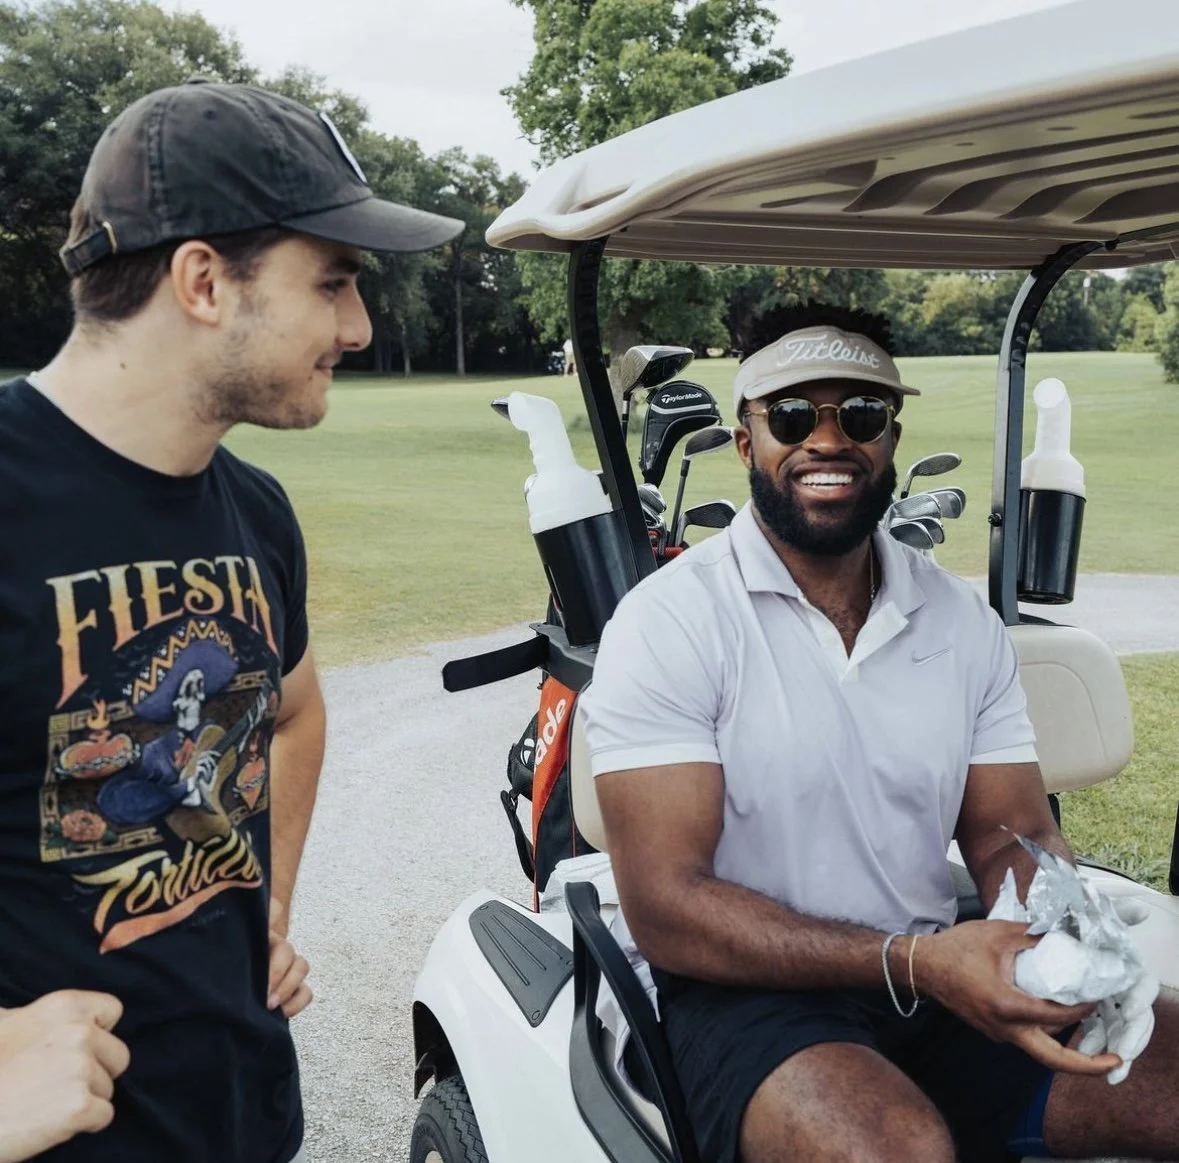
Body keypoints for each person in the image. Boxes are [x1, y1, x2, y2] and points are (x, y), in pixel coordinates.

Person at [582, 304, 1179, 1163]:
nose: (827, 440)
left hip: (929, 970)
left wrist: (1053, 931)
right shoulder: (670, 621)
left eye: (857, 414)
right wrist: (918, 962)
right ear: (748, 443)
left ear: (890, 437)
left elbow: (1009, 827)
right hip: (733, 987)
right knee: (890, 1148)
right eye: (793, 416)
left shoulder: (957, 620)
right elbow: (668, 906)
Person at [0, 79, 463, 1162]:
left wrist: (268, 910)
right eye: (335, 282)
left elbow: (294, 713)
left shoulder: (252, 508)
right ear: (203, 280)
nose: (356, 325)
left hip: (242, 1112)